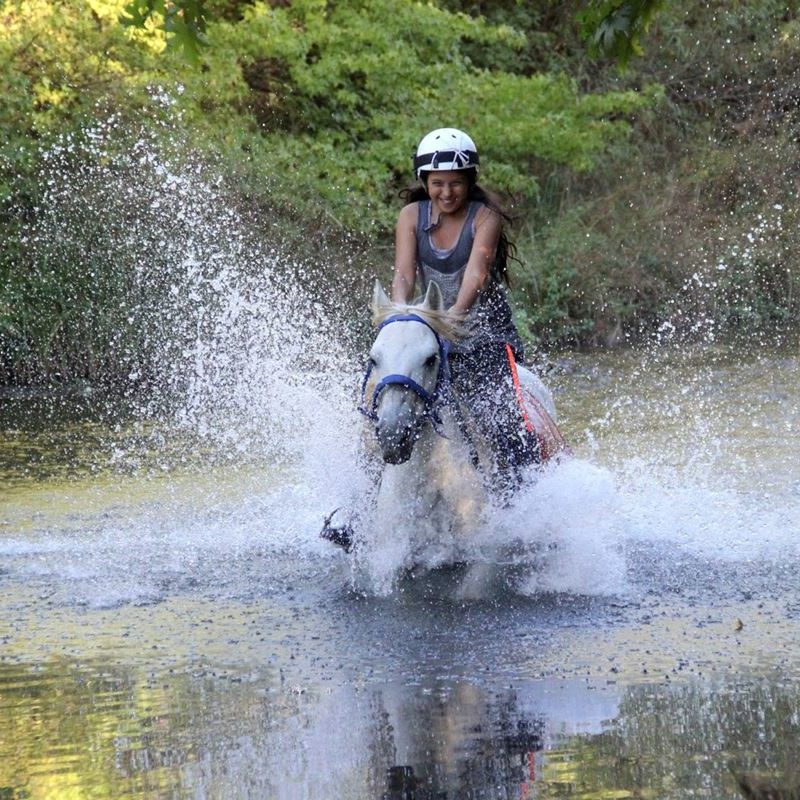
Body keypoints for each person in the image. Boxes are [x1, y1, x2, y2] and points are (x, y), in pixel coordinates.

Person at [391, 127, 540, 492]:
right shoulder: (411, 216)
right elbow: (404, 275)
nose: (446, 192)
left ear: (470, 180)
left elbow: (476, 273)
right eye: (437, 183)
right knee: (385, 403)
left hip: (486, 335)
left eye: (455, 183)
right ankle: (356, 511)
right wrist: (399, 315)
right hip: (434, 329)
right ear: (425, 181)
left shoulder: (485, 217)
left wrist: (453, 317)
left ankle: (525, 497)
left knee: (500, 421)